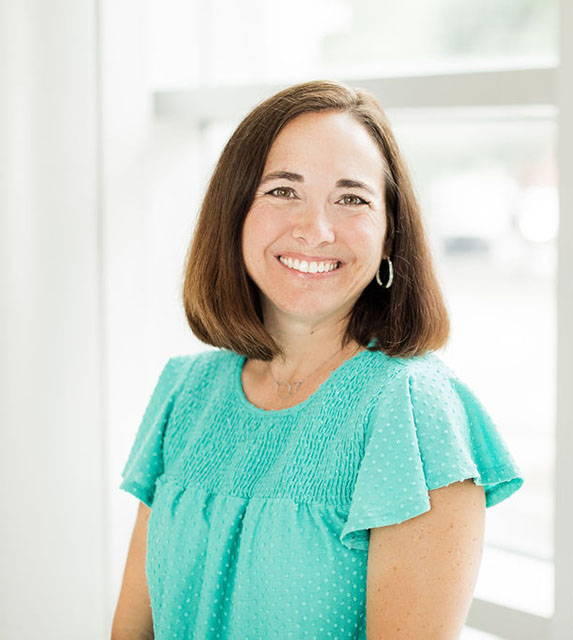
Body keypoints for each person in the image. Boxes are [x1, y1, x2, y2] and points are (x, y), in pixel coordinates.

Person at [110, 80, 524, 639]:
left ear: (389, 234)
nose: (315, 230)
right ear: (234, 212)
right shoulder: (185, 391)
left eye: (352, 199)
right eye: (283, 190)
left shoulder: (414, 414)